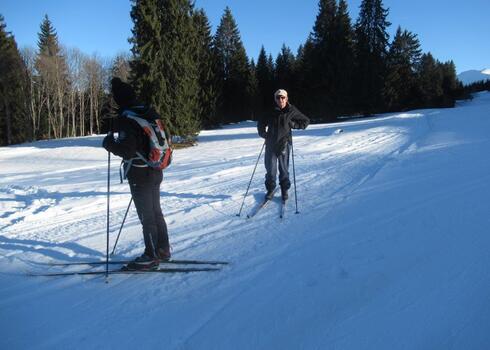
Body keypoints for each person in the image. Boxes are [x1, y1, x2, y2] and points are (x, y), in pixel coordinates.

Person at [103, 78, 170, 270]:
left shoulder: (126, 118)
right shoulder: (148, 112)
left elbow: (127, 150)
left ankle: (150, 256)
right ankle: (163, 249)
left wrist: (109, 144)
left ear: (119, 99)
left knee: (147, 216)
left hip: (140, 174)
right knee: (156, 212)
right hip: (156, 168)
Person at [257, 89, 310, 201]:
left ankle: (284, 189)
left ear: (286, 98)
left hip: (284, 144)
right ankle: (270, 189)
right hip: (271, 144)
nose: (280, 100)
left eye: (282, 97)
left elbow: (305, 121)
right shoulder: (270, 110)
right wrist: (263, 133)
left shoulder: (291, 110)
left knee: (284, 169)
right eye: (278, 97)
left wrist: (294, 125)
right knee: (270, 169)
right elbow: (261, 122)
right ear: (275, 99)